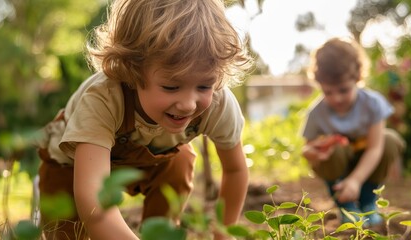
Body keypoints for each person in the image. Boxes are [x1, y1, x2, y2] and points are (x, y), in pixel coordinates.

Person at [35, 0, 253, 239]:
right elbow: (94, 200)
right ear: (132, 69)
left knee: (180, 160)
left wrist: (223, 232)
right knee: (67, 234)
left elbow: (235, 170)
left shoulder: (219, 104)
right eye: (171, 86)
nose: (189, 103)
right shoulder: (103, 98)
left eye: (204, 85)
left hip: (150, 160)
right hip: (71, 165)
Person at [300, 37, 405, 226]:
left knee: (389, 139)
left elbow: (375, 148)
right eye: (328, 92)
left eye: (343, 90)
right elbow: (306, 150)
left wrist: (355, 180)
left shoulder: (372, 104)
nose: (337, 98)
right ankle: (346, 206)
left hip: (367, 164)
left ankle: (367, 204)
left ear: (357, 78)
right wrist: (314, 152)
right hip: (336, 168)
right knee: (334, 148)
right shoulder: (316, 113)